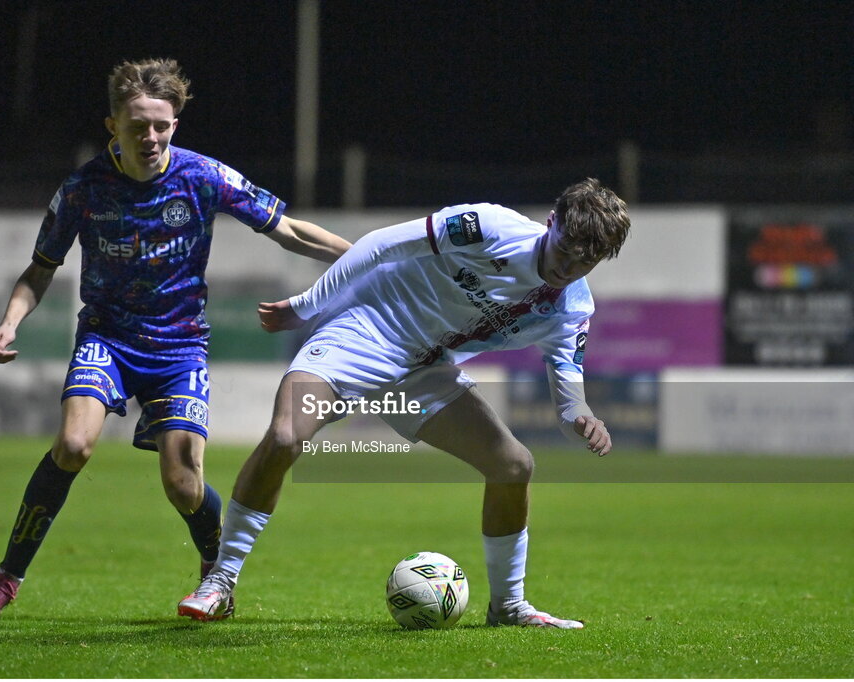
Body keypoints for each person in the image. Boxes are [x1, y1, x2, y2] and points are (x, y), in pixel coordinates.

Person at [0, 58, 350, 625]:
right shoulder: (83, 188)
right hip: (107, 340)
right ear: (112, 124)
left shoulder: (202, 176)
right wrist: (10, 321)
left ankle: (217, 572)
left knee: (183, 482)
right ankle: (6, 578)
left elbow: (286, 229)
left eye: (161, 125)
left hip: (179, 348)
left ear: (175, 124)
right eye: (137, 124)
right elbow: (40, 268)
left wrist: (365, 256)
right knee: (73, 446)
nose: (150, 136)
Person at [177, 178, 630, 628]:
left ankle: (508, 607)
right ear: (551, 222)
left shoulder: (572, 308)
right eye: (565, 247)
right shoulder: (489, 226)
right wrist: (307, 306)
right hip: (365, 332)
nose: (568, 266)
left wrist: (583, 418)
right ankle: (220, 580)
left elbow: (568, 397)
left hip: (423, 373)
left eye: (585, 261)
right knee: (285, 437)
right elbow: (379, 246)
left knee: (514, 465)